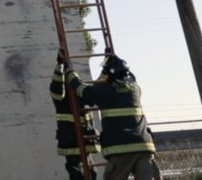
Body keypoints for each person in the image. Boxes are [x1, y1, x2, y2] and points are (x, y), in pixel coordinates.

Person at [65, 52, 161, 180]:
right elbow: (130, 77)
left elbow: (83, 90)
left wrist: (70, 72)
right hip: (144, 148)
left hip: (120, 150)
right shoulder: (135, 89)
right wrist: (115, 59)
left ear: (108, 74)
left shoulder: (104, 91)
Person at [51, 50, 99, 180]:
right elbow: (56, 86)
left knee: (92, 174)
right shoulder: (61, 97)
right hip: (71, 142)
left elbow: (94, 95)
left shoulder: (80, 94)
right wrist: (59, 66)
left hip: (85, 141)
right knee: (76, 174)